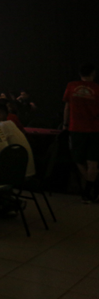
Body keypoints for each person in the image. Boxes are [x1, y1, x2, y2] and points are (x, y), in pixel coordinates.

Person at [63, 63, 99, 203]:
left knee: (77, 158)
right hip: (95, 129)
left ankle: (89, 189)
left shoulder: (71, 86)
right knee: (93, 162)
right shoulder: (97, 88)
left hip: (76, 128)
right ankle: (91, 188)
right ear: (93, 73)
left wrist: (65, 124)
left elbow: (67, 107)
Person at [0, 102, 35, 178]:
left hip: (18, 176)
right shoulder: (9, 124)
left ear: (0, 114)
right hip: (24, 172)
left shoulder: (3, 126)